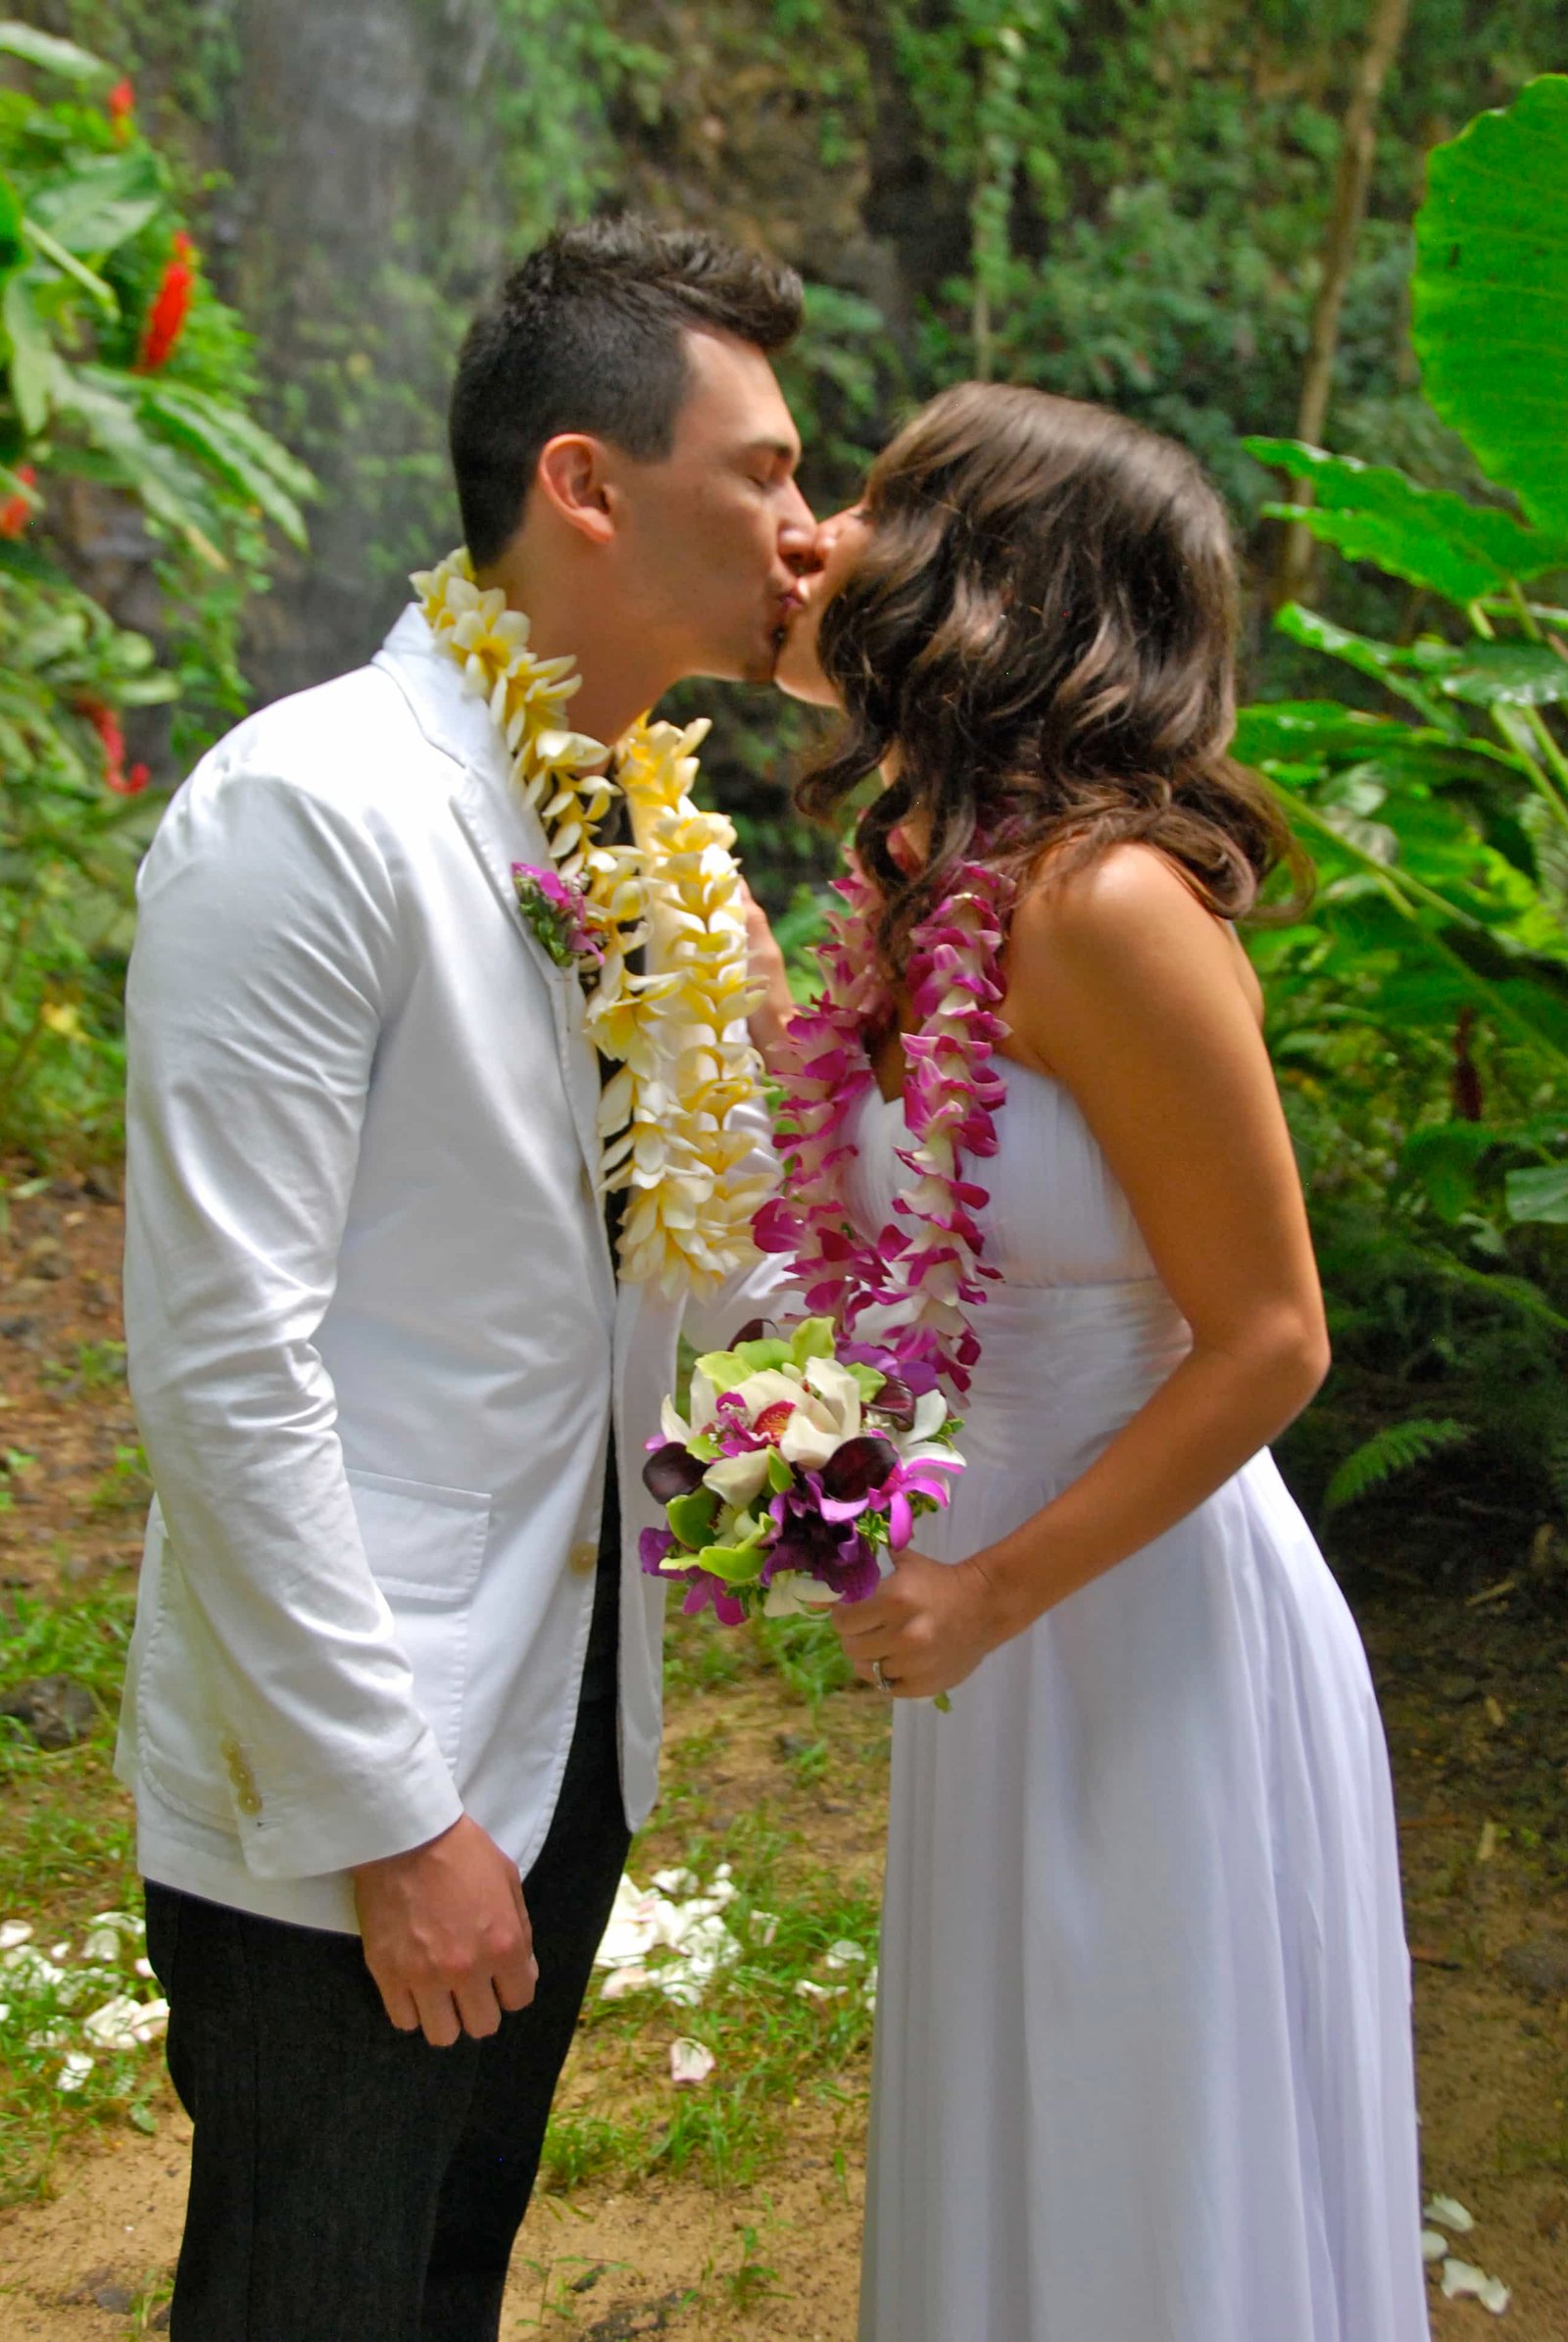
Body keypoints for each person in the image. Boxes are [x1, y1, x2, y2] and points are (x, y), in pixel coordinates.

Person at [115, 216, 813, 2342]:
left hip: (569, 1717)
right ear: (583, 483)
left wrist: (766, 1047)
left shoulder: (652, 847)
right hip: (362, 1762)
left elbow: (695, 1297)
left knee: (441, 2286)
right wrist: (388, 1811)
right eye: (766, 472)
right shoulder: (309, 810)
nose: (809, 527)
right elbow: (225, 1361)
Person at [757, 381, 1430, 2342]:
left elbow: (1272, 1335)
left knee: (1146, 2154)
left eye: (874, 499)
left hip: (1141, 1629)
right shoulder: (920, 889)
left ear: (989, 582)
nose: (818, 533)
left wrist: (989, 1588)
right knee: (1025, 2138)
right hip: (993, 1637)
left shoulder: (1107, 904)